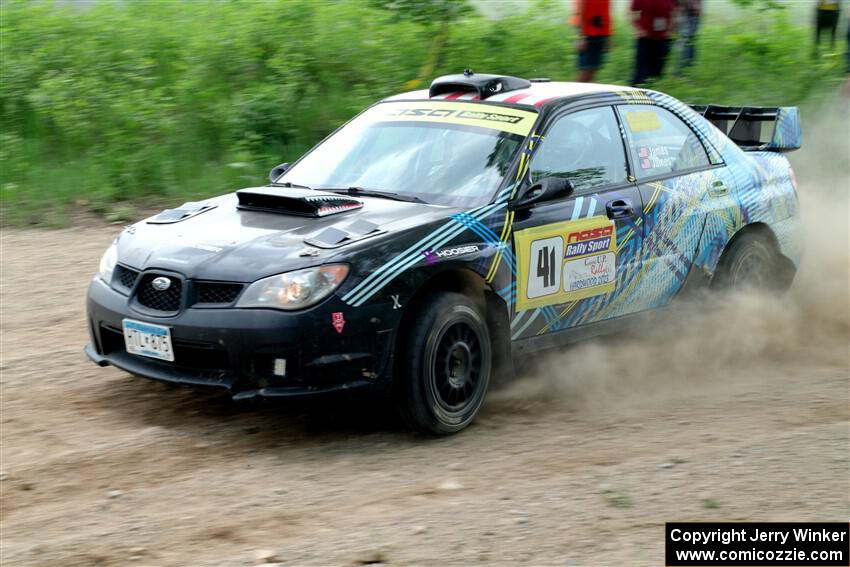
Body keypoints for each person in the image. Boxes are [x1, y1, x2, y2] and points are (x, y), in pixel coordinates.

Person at [630, 0, 677, 86]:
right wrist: (638, 29)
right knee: (641, 73)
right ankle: (635, 96)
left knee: (657, 72)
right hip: (645, 38)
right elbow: (632, 11)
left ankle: (653, 95)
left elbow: (675, 11)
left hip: (662, 39)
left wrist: (670, 29)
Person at [571, 0, 612, 83]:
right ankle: (574, 94)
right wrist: (581, 37)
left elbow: (606, 14)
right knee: (584, 72)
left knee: (593, 71)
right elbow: (579, 13)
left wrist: (607, 37)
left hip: (600, 36)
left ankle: (586, 94)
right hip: (587, 37)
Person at [674, 0, 701, 75]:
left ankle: (689, 71)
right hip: (685, 15)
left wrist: (698, 8)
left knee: (691, 43)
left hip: (694, 16)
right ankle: (679, 72)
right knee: (684, 44)